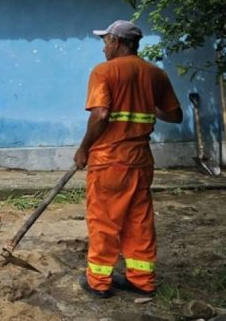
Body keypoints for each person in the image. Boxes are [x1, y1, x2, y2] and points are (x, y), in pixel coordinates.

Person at [75, 20, 182, 298]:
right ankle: (142, 280)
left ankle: (99, 282)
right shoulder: (155, 74)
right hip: (141, 161)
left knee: (104, 221)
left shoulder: (103, 72)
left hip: (109, 160)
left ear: (118, 42)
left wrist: (84, 148)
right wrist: (144, 104)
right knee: (139, 221)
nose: (103, 48)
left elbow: (100, 115)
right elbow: (174, 115)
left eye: (106, 41)